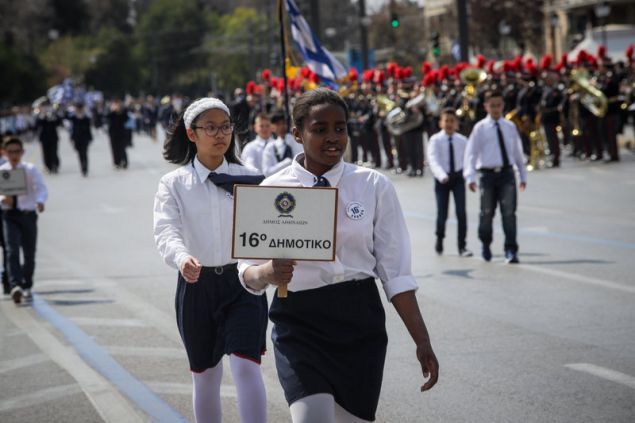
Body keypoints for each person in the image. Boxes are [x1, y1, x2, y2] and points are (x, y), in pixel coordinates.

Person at [238, 89, 439, 423]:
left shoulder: (373, 185)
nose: (332, 138)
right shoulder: (272, 188)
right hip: (299, 322)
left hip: (359, 321)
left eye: (340, 127)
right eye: (320, 129)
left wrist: (422, 340)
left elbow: (396, 273)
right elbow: (246, 270)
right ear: (298, 133)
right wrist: (268, 273)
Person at [153, 97, 268, 423]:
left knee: (246, 365)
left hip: (244, 282)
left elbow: (268, 230)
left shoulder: (252, 178)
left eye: (226, 126)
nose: (220, 134)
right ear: (192, 134)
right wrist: (182, 257)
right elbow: (166, 230)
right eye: (211, 128)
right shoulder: (174, 184)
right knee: (205, 374)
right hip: (196, 284)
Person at [464, 90, 527, 264]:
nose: (496, 109)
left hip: (507, 174)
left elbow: (517, 152)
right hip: (487, 176)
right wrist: (470, 177)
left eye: (498, 105)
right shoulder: (480, 128)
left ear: (503, 105)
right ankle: (486, 244)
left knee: (509, 214)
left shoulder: (510, 126)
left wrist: (522, 175)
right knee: (486, 213)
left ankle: (511, 250)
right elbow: (471, 154)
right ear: (486, 106)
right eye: (492, 105)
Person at [0, 137, 48, 304]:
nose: (14, 155)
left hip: (27, 214)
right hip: (9, 216)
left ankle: (27, 284)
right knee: (11, 250)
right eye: (10, 152)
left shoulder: (30, 169)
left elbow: (41, 187)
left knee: (29, 253)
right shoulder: (2, 170)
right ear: (5, 153)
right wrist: (2, 199)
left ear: (22, 152)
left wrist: (40, 201)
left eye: (17, 152)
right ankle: (15, 285)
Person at [427, 108, 472, 257]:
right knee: (442, 213)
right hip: (442, 180)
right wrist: (442, 176)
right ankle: (440, 238)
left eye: (452, 121)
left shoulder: (462, 140)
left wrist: (469, 176)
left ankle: (462, 246)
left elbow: (468, 160)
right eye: (446, 120)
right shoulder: (435, 140)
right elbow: (433, 160)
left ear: (456, 123)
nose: (449, 124)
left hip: (458, 178)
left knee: (461, 212)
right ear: (441, 122)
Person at [261, 111, 304, 177]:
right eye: (278, 124)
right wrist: (287, 162)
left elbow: (302, 162)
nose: (282, 126)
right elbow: (266, 172)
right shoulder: (270, 147)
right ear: (272, 127)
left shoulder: (296, 141)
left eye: (283, 123)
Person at [67, 103, 93, 176]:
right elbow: (67, 121)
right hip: (76, 138)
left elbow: (89, 129)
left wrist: (90, 138)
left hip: (85, 138)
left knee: (84, 153)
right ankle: (82, 166)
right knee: (79, 154)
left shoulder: (86, 117)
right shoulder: (73, 117)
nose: (79, 110)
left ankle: (85, 168)